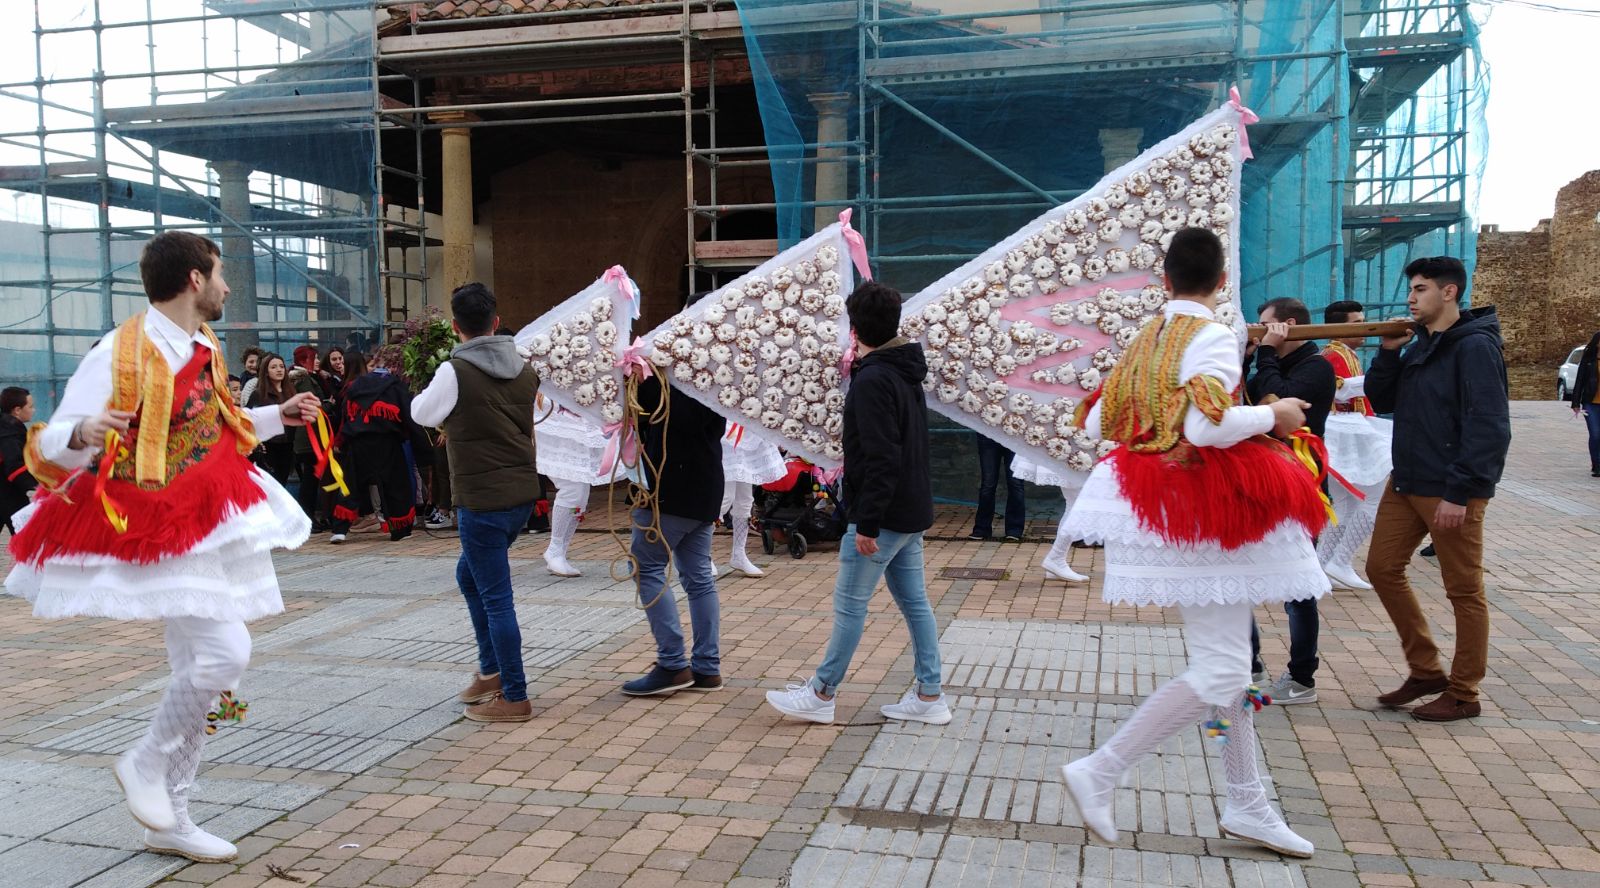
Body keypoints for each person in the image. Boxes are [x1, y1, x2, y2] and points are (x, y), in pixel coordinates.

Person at [4, 231, 318, 863]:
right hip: (147, 517)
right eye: (221, 274)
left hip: (205, 511)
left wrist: (275, 418)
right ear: (195, 280)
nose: (227, 286)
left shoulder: (203, 345)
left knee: (197, 668)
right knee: (227, 651)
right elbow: (49, 444)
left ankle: (169, 817)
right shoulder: (122, 350)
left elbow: (219, 424)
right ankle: (146, 764)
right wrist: (84, 429)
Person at [1057, 228, 1326, 858]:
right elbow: (1208, 428)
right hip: (1201, 504)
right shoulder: (1209, 334)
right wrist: (1276, 415)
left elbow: (1100, 419)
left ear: (1165, 280)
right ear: (1223, 282)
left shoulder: (1146, 338)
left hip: (1161, 498)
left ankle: (1248, 800)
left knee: (1230, 664)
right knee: (1227, 665)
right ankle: (1102, 769)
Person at [765, 281, 950, 726]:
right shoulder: (904, 369)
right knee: (916, 605)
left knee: (851, 605)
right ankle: (929, 696)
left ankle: (823, 692)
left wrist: (866, 522)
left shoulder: (873, 379)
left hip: (882, 517)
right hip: (909, 512)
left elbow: (882, 456)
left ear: (854, 328)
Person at [1364, 256, 1511, 722]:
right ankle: (1425, 669)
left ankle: (1464, 692)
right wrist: (1388, 353)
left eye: (1421, 288)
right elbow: (1382, 400)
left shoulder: (1473, 348)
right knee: (1382, 568)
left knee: (1463, 590)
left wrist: (1462, 492)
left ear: (1449, 293)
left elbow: (1489, 426)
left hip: (1449, 487)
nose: (1411, 298)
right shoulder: (1421, 343)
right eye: (1411, 289)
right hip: (1407, 479)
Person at [412, 282, 541, 723]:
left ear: (455, 327)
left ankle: (515, 693)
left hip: (481, 500)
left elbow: (422, 414)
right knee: (469, 577)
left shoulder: (455, 370)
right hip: (520, 495)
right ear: (496, 322)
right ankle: (490, 671)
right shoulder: (524, 366)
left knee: (496, 597)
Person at [1244, 297, 1336, 706]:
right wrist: (1249, 358)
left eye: (1266, 326)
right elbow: (1247, 400)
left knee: (1298, 588)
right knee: (1238, 577)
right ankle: (1249, 661)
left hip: (1301, 487)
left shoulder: (1317, 367)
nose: (1260, 331)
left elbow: (1274, 407)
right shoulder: (1271, 361)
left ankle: (1302, 678)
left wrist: (1264, 355)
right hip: (1263, 485)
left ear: (1289, 325)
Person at [621, 373, 727, 696]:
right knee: (698, 579)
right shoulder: (718, 376)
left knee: (645, 566)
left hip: (671, 489)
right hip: (705, 485)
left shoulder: (668, 381)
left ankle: (672, 663)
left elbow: (650, 407)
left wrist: (637, 377)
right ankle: (707, 666)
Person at [1317, 300, 1391, 590]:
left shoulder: (1340, 353)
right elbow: (1344, 390)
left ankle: (1325, 563)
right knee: (1372, 499)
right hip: (1347, 432)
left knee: (1348, 502)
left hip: (1344, 431)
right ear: (1339, 327)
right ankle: (1339, 560)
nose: (1364, 329)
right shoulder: (1336, 354)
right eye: (1357, 323)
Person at [328, 351, 418, 544]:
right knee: (394, 486)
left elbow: (346, 416)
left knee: (350, 485)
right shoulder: (395, 386)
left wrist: (340, 441)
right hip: (387, 442)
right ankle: (400, 530)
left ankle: (340, 529)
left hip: (358, 441)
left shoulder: (354, 387)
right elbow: (408, 416)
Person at [531, 400, 607, 577]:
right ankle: (555, 550)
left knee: (580, 492)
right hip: (554, 417)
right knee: (573, 489)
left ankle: (558, 551)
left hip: (579, 415)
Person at [720, 422, 786, 577]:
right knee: (724, 497)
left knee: (745, 500)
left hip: (748, 432)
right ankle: (704, 554)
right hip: (727, 436)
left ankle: (739, 554)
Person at [1010, 455, 1087, 582]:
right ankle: (1056, 558)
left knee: (1076, 503)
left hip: (1078, 451)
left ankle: (1056, 559)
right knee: (1079, 504)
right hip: (1076, 451)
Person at [288, 347, 329, 530]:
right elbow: (313, 405)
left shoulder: (304, 377)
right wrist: (329, 405)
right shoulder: (304, 380)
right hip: (308, 438)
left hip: (305, 438)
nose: (318, 361)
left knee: (310, 481)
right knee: (309, 482)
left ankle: (309, 518)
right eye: (315, 357)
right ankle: (308, 520)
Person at [246, 354, 295, 485]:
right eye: (274, 367)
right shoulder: (258, 394)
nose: (279, 370)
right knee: (271, 482)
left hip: (288, 444)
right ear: (266, 372)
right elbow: (249, 419)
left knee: (283, 481)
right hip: (268, 445)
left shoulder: (290, 392)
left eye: (281, 366)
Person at [969, 434, 1026, 541]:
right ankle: (982, 528)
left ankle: (1014, 529)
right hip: (988, 434)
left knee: (1015, 483)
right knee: (988, 484)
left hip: (1014, 435)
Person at [2, 386, 39, 533]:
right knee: (29, 536)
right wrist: (34, 488)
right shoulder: (9, 434)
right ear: (17, 410)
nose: (33, 410)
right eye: (30, 406)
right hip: (8, 495)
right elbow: (14, 465)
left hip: (9, 492)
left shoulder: (9, 428)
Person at [1569, 331, 1600, 477]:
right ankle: (1597, 464)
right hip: (1591, 403)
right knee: (1595, 434)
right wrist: (1575, 402)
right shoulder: (1588, 359)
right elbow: (1580, 380)